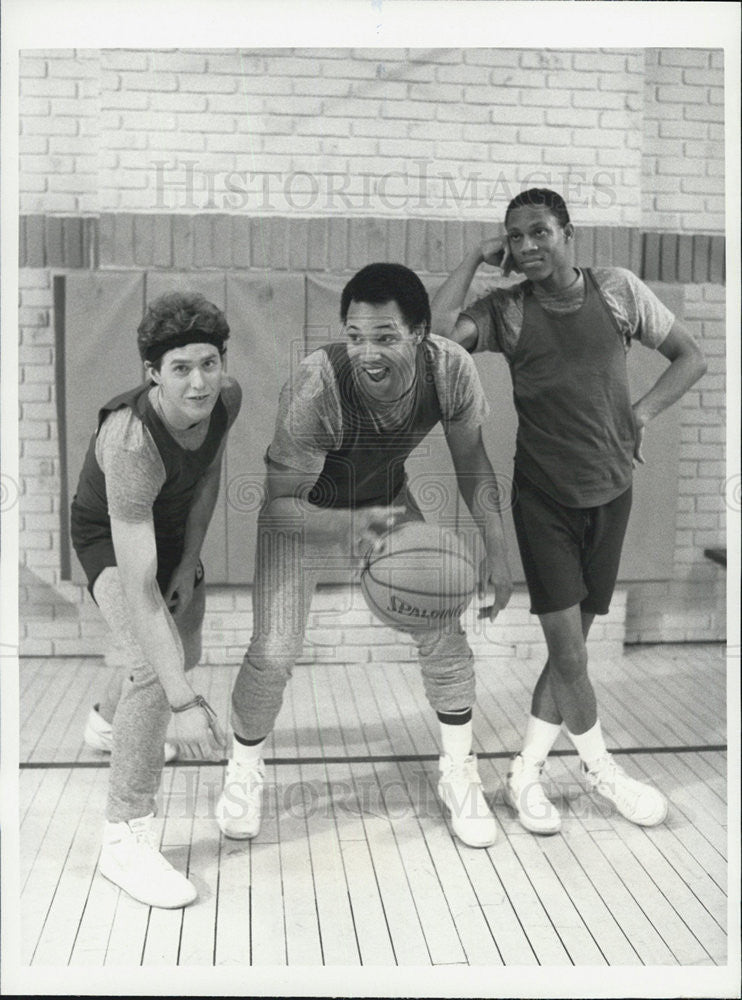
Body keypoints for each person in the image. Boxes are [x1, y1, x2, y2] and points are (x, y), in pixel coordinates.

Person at [431, 188, 707, 834]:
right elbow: (442, 337)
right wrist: (475, 255)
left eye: (539, 232)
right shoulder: (507, 311)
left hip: (612, 491)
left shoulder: (617, 291)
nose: (526, 246)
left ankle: (525, 771)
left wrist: (640, 413)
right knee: (573, 655)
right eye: (514, 236)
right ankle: (600, 767)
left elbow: (691, 358)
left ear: (567, 232)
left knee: (570, 651)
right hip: (544, 500)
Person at [216, 263, 513, 849]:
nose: (367, 353)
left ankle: (459, 771)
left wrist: (498, 553)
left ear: (422, 333)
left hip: (383, 499)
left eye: (385, 337)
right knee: (274, 652)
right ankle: (243, 772)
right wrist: (347, 525)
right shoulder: (317, 383)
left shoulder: (450, 368)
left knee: (443, 629)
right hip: (305, 513)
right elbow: (278, 507)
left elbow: (474, 463)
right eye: (355, 337)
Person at [70, 291, 241, 907]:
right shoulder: (131, 442)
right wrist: (185, 702)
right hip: (109, 537)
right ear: (152, 374)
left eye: (208, 363)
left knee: (182, 642)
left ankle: (103, 724)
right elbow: (140, 594)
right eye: (179, 369)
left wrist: (191, 561)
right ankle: (124, 836)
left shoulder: (227, 397)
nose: (198, 382)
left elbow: (210, 474)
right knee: (153, 662)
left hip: (168, 529)